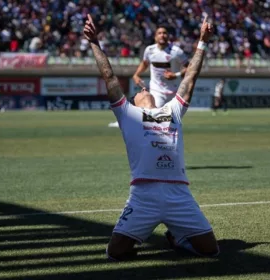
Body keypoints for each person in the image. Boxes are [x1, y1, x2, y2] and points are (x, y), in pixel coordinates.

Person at [84, 14, 219, 260]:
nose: (144, 89)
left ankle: (177, 238)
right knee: (115, 253)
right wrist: (94, 42)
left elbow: (190, 80)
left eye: (146, 88)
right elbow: (110, 77)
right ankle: (150, 233)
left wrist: (202, 42)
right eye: (139, 90)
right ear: (133, 100)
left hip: (179, 193)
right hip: (143, 194)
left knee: (210, 250)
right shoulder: (127, 114)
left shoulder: (172, 110)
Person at [108, 25, 189, 128]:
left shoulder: (177, 51)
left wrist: (176, 75)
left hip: (173, 91)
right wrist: (136, 74)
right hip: (157, 90)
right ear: (155, 37)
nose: (162, 35)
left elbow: (189, 68)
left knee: (169, 122)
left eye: (164, 33)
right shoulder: (150, 50)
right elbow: (145, 63)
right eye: (159, 33)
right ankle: (124, 121)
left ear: (168, 36)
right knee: (152, 116)